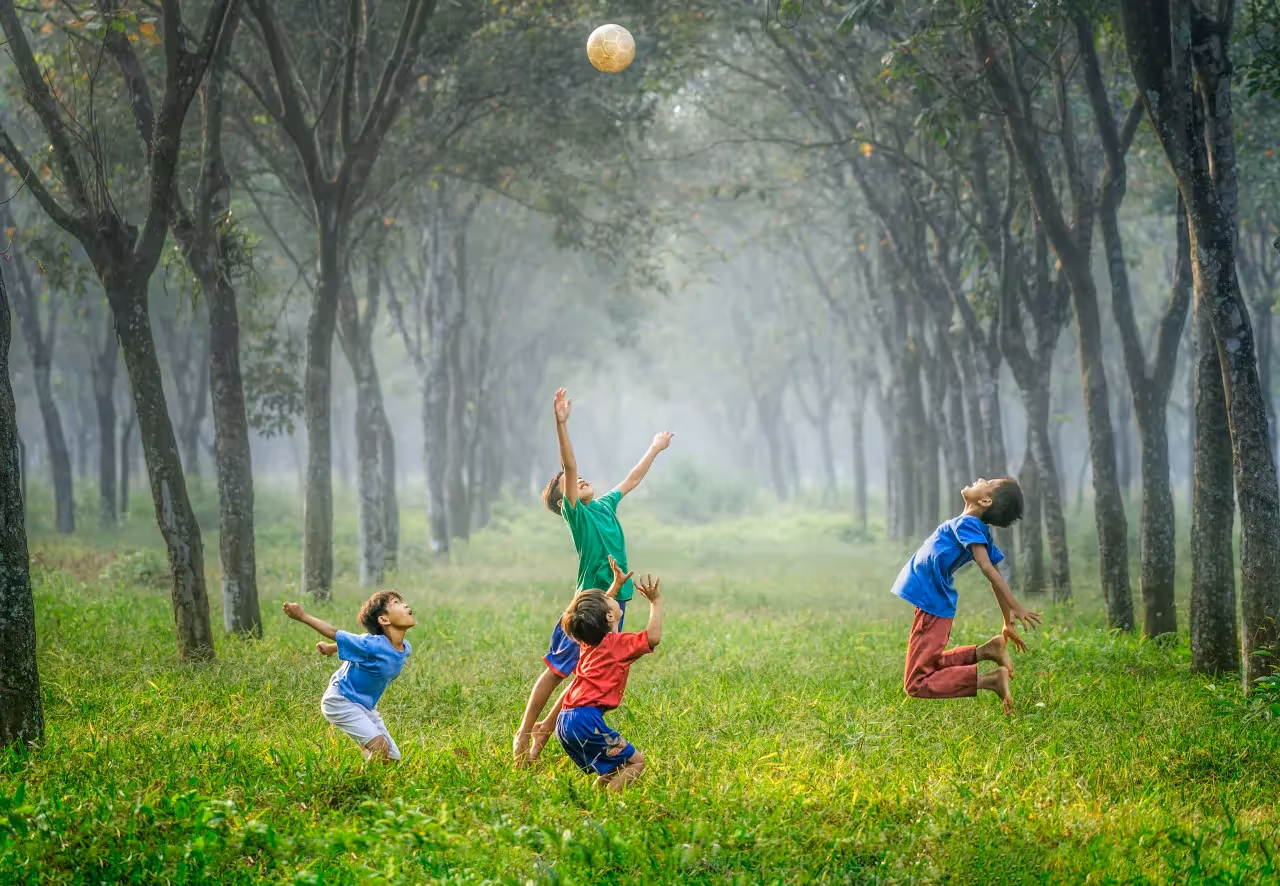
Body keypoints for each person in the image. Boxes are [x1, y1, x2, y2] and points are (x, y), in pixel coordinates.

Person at [512, 387, 673, 766]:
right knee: (557, 670)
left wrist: (654, 448)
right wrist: (561, 423)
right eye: (568, 483)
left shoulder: (603, 505)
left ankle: (540, 741)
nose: (579, 478)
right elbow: (568, 466)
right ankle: (524, 732)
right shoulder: (577, 515)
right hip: (589, 604)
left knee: (586, 674)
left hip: (616, 602)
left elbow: (631, 480)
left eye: (581, 478)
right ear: (561, 500)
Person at [892, 477, 1041, 715]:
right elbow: (994, 571)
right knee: (929, 664)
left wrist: (1015, 605)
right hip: (932, 602)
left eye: (988, 482)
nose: (981, 478)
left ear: (985, 500)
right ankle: (986, 651)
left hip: (932, 604)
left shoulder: (970, 524)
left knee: (916, 683)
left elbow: (988, 568)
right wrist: (1006, 621)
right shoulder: (972, 526)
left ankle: (990, 681)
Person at [556, 568, 663, 791]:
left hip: (565, 720)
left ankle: (595, 800)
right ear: (609, 616)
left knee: (613, 767)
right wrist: (655, 602)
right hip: (586, 721)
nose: (610, 597)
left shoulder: (588, 642)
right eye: (608, 599)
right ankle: (610, 804)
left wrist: (614, 587)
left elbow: (595, 615)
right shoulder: (619, 645)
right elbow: (653, 637)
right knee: (637, 761)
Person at [283, 591, 415, 761]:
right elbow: (334, 632)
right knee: (380, 749)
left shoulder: (405, 648)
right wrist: (302, 616)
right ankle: (357, 783)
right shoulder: (370, 644)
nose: (405, 605)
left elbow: (357, 646)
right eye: (396, 602)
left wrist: (331, 648)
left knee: (392, 758)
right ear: (384, 620)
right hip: (341, 700)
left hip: (366, 707)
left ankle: (367, 748)